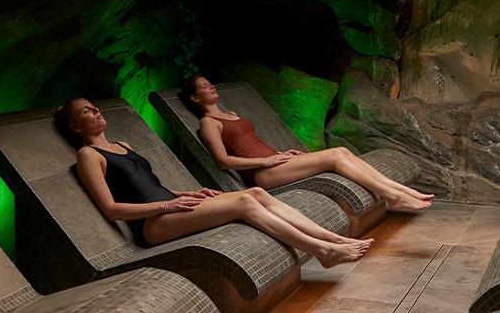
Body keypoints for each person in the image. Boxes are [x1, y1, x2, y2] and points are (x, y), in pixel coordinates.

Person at [54, 97, 372, 268]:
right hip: (152, 224)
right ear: (75, 126)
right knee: (246, 201)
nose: (95, 110)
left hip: (172, 208)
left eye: (94, 106)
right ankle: (321, 250)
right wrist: (168, 204)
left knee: (257, 192)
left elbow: (143, 185)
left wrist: (187, 193)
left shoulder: (123, 145)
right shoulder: (87, 155)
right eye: (86, 111)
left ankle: (333, 240)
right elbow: (112, 209)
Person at [179, 75, 434, 211]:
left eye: (210, 83)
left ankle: (401, 192)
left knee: (343, 151)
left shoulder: (231, 114)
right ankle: (393, 196)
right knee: (335, 156)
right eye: (204, 86)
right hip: (263, 174)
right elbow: (223, 161)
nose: (210, 86)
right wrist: (266, 160)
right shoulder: (209, 123)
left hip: (275, 161)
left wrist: (279, 153)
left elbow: (250, 143)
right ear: (195, 97)